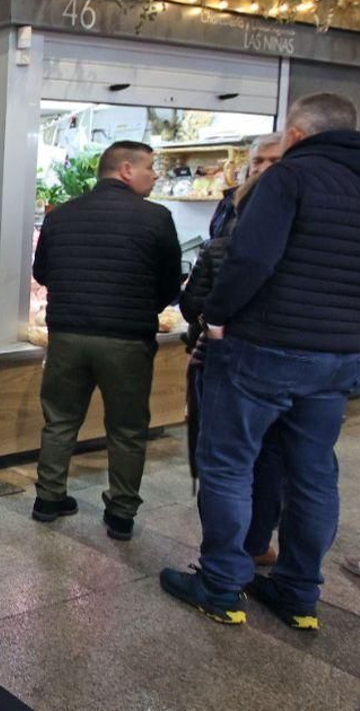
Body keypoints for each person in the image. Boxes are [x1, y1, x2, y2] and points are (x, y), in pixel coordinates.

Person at [162, 92, 360, 630]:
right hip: (337, 357)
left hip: (264, 348)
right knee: (314, 472)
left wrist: (218, 315)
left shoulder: (288, 179)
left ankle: (221, 584)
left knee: (229, 463)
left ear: (296, 135)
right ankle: (299, 593)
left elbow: (250, 257)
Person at [30, 141, 181, 541]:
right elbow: (169, 285)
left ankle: (48, 498)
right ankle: (121, 514)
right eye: (150, 168)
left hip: (66, 335)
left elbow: (42, 272)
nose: (154, 175)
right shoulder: (157, 218)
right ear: (126, 169)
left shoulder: (60, 216)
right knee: (128, 428)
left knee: (60, 420)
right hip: (126, 340)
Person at [179, 132, 283, 568]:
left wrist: (211, 324)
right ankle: (265, 559)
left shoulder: (232, 241)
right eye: (257, 160)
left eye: (272, 160)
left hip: (232, 358)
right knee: (261, 461)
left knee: (228, 462)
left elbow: (198, 303)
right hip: (288, 361)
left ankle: (225, 569)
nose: (261, 168)